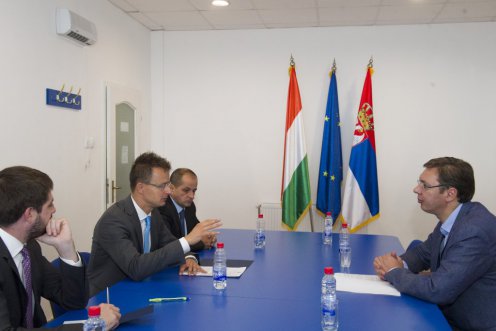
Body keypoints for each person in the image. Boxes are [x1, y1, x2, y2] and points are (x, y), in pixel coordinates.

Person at [374, 157, 496, 331]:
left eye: (425, 185)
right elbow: (423, 253)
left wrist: (393, 271)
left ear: (450, 194)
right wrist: (399, 263)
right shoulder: (453, 218)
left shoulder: (474, 231)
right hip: (447, 317)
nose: (416, 189)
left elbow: (437, 290)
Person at [0, 166, 121, 330]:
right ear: (29, 214)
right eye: (50, 205)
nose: (54, 210)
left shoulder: (29, 248)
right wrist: (91, 326)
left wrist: (67, 249)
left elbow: (73, 301)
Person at [88, 152, 221, 296]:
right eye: (162, 186)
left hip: (139, 289)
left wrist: (188, 258)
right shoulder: (113, 221)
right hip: (109, 298)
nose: (168, 191)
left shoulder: (153, 212)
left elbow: (169, 243)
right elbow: (136, 267)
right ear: (141, 188)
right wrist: (188, 240)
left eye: (168, 185)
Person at [158, 168, 218, 251]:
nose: (192, 196)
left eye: (194, 191)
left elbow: (196, 231)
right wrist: (202, 243)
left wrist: (208, 236)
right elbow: (171, 246)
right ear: (171, 188)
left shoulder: (189, 206)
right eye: (186, 190)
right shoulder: (162, 209)